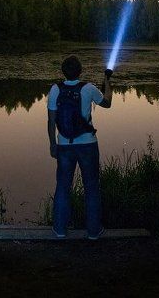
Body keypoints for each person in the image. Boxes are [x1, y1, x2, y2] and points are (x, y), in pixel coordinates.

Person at [47, 54, 113, 239]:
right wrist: (107, 81)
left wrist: (52, 144)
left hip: (64, 146)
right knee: (91, 188)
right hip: (88, 146)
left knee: (62, 187)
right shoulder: (89, 88)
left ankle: (60, 230)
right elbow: (107, 103)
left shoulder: (55, 89)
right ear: (80, 71)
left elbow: (51, 121)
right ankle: (93, 232)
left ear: (63, 71)